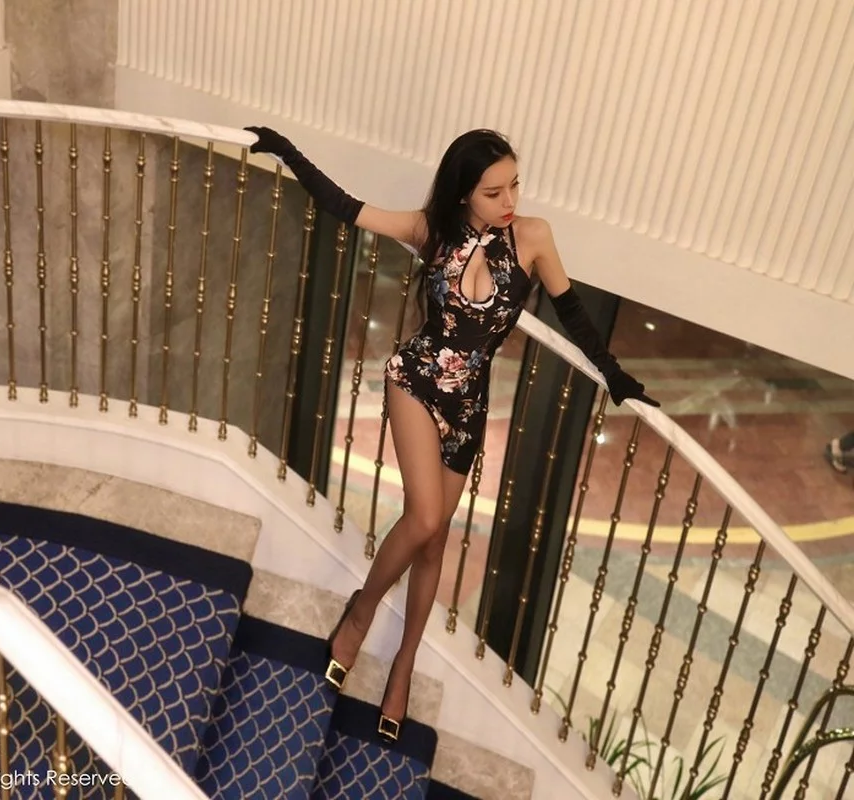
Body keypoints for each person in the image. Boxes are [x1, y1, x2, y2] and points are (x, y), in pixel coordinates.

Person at [244, 125, 659, 743]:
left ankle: (403, 665)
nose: (509, 200)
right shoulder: (430, 230)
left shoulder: (534, 238)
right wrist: (287, 150)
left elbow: (572, 311)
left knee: (435, 541)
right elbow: (344, 205)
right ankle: (360, 613)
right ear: (465, 193)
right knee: (425, 518)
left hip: (468, 406)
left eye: (514, 185)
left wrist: (615, 376)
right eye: (494, 192)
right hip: (416, 381)